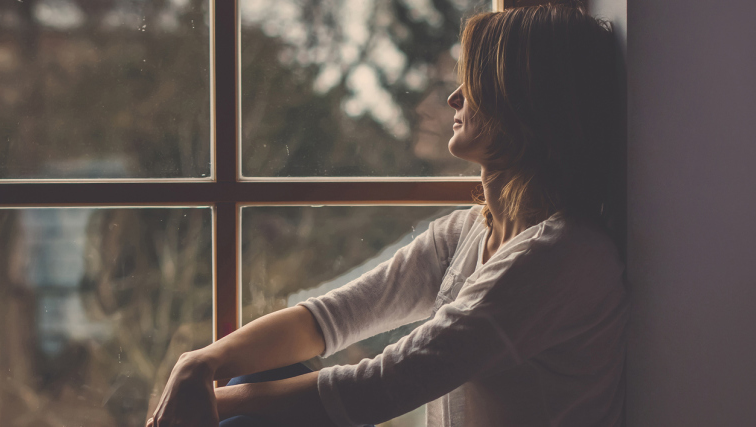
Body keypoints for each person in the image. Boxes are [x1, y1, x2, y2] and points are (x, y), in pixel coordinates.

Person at [147, 3, 626, 426]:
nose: (453, 97)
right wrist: (200, 363)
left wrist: (213, 402)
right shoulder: (468, 231)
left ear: (519, 102)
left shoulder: (562, 258)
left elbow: (376, 389)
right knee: (266, 368)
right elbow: (328, 320)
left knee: (248, 410)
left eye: (474, 82)